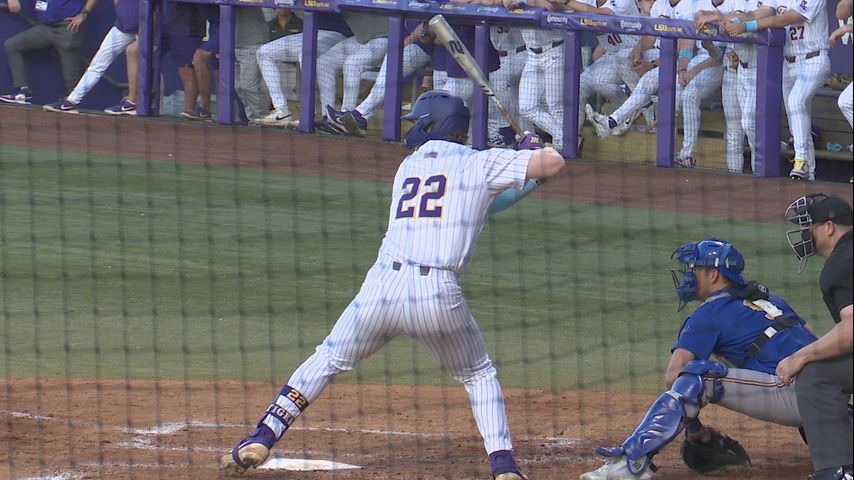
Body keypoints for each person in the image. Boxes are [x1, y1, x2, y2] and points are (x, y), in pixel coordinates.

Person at [217, 91, 566, 480]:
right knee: (478, 375)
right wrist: (532, 152)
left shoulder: (409, 166)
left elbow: (486, 203)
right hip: (437, 296)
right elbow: (554, 163)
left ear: (431, 125)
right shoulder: (480, 162)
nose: (412, 127)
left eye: (417, 121)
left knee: (328, 358)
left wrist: (527, 171)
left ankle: (264, 435)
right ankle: (504, 467)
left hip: (381, 288)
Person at [579, 238, 819, 480]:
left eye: (694, 268)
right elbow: (815, 341)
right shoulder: (772, 301)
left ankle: (631, 463)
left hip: (799, 398)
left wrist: (695, 430)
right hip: (830, 395)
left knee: (697, 376)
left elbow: (674, 376)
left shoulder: (708, 313)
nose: (689, 274)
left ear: (713, 274)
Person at [779, 193, 853, 480]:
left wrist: (802, 355)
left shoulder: (841, 263)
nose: (805, 233)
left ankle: (838, 471)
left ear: (829, 227)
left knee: (816, 373)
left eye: (809, 226)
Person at [722, 0, 829, 181]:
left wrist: (746, 26)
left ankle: (801, 160)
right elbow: (759, 13)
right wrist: (732, 20)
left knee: (795, 102)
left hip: (814, 58)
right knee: (796, 119)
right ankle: (809, 174)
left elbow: (785, 19)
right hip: (788, 63)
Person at [585, 0, 697, 143]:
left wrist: (651, 64)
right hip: (658, 54)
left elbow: (684, 51)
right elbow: (649, 38)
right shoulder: (659, 5)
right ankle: (617, 119)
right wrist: (637, 51)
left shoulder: (689, 6)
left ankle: (611, 121)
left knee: (651, 87)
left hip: (680, 62)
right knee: (624, 58)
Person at [696, 0, 763, 173]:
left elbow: (748, 19)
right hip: (732, 75)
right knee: (733, 134)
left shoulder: (759, 4)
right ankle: (734, 176)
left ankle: (760, 176)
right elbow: (717, 53)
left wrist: (721, 18)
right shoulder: (730, 4)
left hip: (754, 71)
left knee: (751, 126)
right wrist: (709, 45)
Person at [253, 12, 352, 128]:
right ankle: (281, 110)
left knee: (305, 55)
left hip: (340, 33)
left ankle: (315, 115)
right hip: (313, 31)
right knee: (264, 52)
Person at [42, 0, 138, 115]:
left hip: (147, 29)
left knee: (139, 58)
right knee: (97, 64)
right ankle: (71, 101)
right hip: (123, 26)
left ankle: (134, 102)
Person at [1, 0, 98, 104]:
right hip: (46, 27)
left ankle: (75, 106)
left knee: (72, 82)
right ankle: (22, 91)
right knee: (12, 45)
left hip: (67, 27)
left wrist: (83, 14)